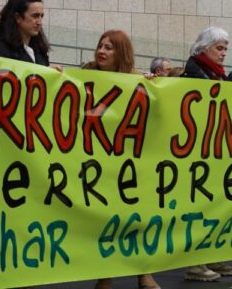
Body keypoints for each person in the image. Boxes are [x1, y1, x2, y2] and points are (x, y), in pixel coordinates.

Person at [81, 30, 161, 289]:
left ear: (122, 53)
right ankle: (105, 276)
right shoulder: (86, 75)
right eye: (100, 46)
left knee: (137, 217)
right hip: (99, 159)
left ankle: (143, 273)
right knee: (104, 219)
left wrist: (155, 85)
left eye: (109, 47)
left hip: (132, 161)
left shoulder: (138, 80)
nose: (101, 51)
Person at [180, 26, 232, 281]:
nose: (224, 53)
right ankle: (195, 262)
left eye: (226, 48)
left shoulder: (216, 75)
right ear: (205, 48)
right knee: (198, 206)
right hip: (195, 153)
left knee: (213, 206)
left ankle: (211, 255)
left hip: (214, 152)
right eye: (219, 48)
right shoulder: (193, 75)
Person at [0, 0, 52, 67]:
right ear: (18, 17)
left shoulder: (39, 50)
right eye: (35, 16)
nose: (40, 22)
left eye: (41, 16)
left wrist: (49, 71)